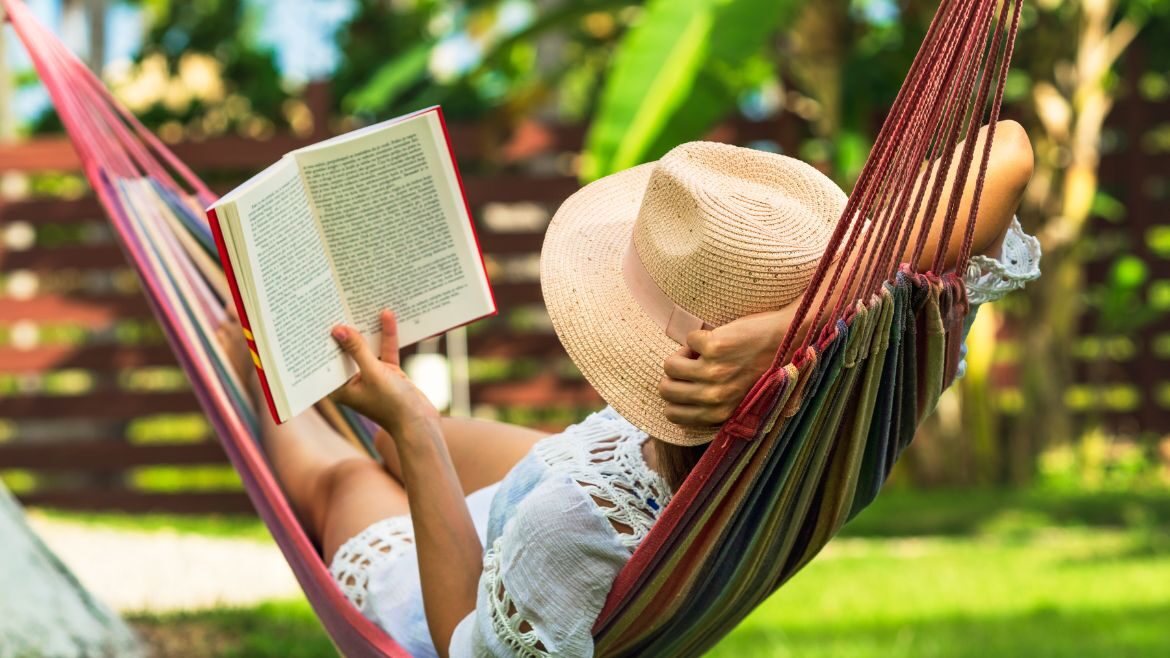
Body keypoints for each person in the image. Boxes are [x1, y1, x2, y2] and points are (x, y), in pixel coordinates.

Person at [216, 121, 1040, 658]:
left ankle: (255, 360)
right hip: (621, 469)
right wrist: (803, 325)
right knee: (403, 428)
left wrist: (417, 433)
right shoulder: (870, 376)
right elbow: (1011, 150)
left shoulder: (571, 529)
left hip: (486, 582)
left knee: (350, 475)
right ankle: (364, 402)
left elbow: (465, 639)